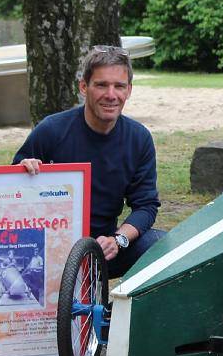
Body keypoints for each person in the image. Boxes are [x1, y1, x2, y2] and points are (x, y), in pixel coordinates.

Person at [13, 46, 165, 278]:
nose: (111, 95)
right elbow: (7, 190)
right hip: (49, 248)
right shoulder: (51, 131)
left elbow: (146, 205)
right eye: (102, 85)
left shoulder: (139, 138)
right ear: (84, 87)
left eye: (119, 86)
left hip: (104, 248)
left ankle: (131, 310)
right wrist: (24, 170)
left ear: (129, 90)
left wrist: (118, 240)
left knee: (160, 243)